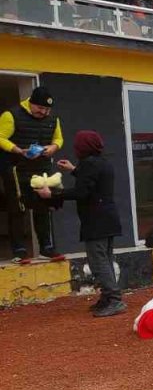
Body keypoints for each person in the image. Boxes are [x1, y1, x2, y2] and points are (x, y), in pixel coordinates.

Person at [34, 131, 124, 317]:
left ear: (83, 147)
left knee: (98, 261)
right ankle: (108, 297)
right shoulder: (102, 162)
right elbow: (93, 181)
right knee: (105, 259)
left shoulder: (90, 164)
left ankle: (114, 299)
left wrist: (52, 195)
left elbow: (82, 191)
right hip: (107, 218)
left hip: (96, 220)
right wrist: (74, 169)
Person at [1, 86, 64, 260]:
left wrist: (53, 148)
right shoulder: (11, 115)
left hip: (42, 169)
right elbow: (1, 137)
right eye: (40, 108)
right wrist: (18, 150)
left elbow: (58, 139)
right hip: (17, 169)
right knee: (18, 209)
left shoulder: (53, 119)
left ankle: (47, 248)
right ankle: (19, 251)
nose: (43, 112)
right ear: (30, 103)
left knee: (44, 206)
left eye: (47, 109)